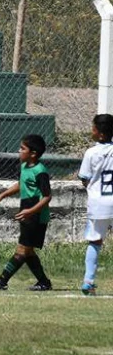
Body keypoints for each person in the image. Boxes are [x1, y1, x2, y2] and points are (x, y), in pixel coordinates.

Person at [0, 134, 52, 291]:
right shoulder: (25, 167)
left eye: (22, 149)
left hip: (36, 215)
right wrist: (2, 194)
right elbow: (21, 184)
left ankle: (2, 280)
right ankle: (44, 282)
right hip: (27, 212)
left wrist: (30, 212)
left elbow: (47, 197)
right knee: (28, 251)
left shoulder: (40, 171)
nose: (19, 151)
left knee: (22, 249)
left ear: (33, 153)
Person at [78, 114, 113, 296]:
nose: (91, 131)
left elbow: (85, 178)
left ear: (100, 134)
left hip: (99, 203)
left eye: (93, 129)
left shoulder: (91, 153)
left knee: (95, 241)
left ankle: (88, 282)